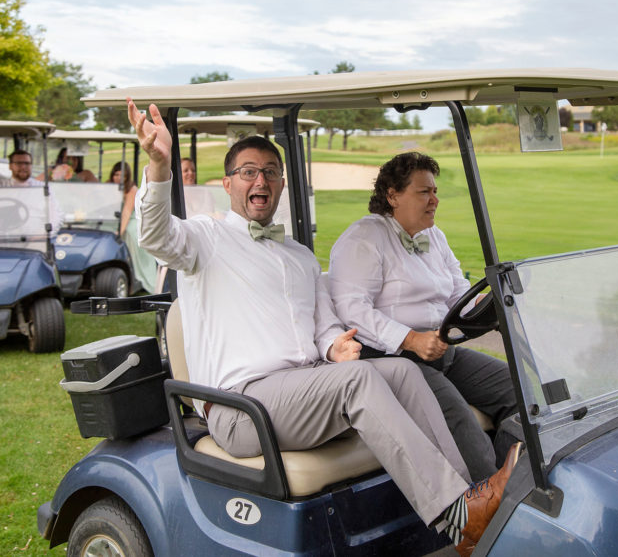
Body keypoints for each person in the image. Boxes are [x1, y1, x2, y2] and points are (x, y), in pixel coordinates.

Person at [128, 99, 520, 554]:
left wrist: (335, 346)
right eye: (249, 171)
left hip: (301, 393)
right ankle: (458, 513)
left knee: (403, 371)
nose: (261, 180)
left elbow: (324, 326)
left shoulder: (297, 256)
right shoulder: (204, 240)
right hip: (242, 406)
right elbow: (155, 234)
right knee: (359, 382)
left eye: (271, 172)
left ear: (281, 183)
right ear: (228, 183)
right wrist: (158, 166)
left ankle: (470, 503)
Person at [328, 152, 518, 482]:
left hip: (440, 350)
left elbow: (458, 291)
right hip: (393, 358)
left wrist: (496, 310)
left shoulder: (434, 236)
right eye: (424, 192)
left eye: (434, 191)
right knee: (460, 420)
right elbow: (353, 309)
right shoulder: (364, 239)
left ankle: (512, 484)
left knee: (517, 388)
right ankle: (485, 509)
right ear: (392, 195)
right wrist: (412, 339)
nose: (435, 200)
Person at [111, 160, 156, 292]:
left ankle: (138, 275)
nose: (118, 178)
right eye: (116, 174)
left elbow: (126, 212)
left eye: (121, 175)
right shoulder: (110, 187)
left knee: (131, 232)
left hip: (132, 219)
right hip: (114, 219)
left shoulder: (131, 190)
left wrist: (120, 231)